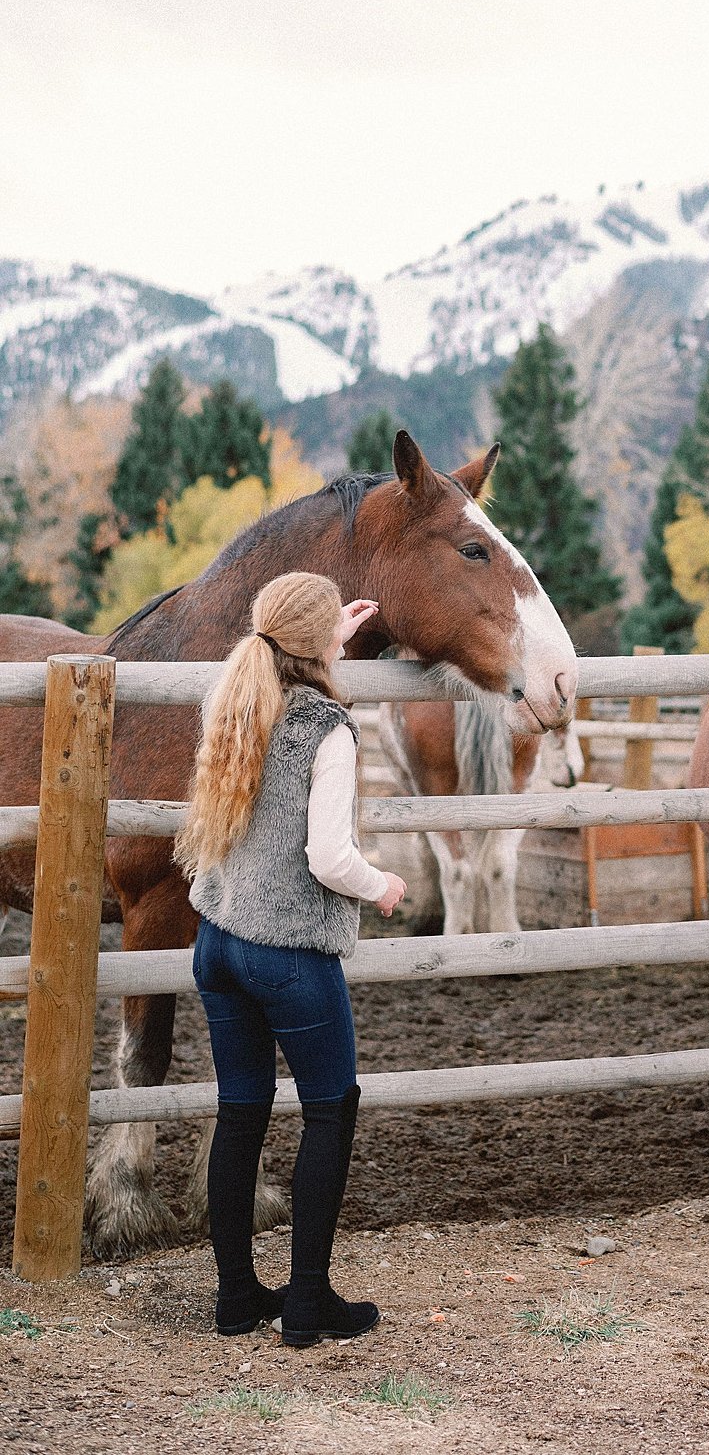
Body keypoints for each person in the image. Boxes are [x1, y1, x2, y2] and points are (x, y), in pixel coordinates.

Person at [175, 570, 407, 1344]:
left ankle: (237, 1298)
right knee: (330, 1113)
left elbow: (282, 648)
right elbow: (329, 858)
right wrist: (383, 886)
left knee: (240, 1115)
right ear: (315, 645)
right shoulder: (327, 728)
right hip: (290, 957)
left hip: (219, 945)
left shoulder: (234, 695)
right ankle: (308, 1304)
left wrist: (326, 629)